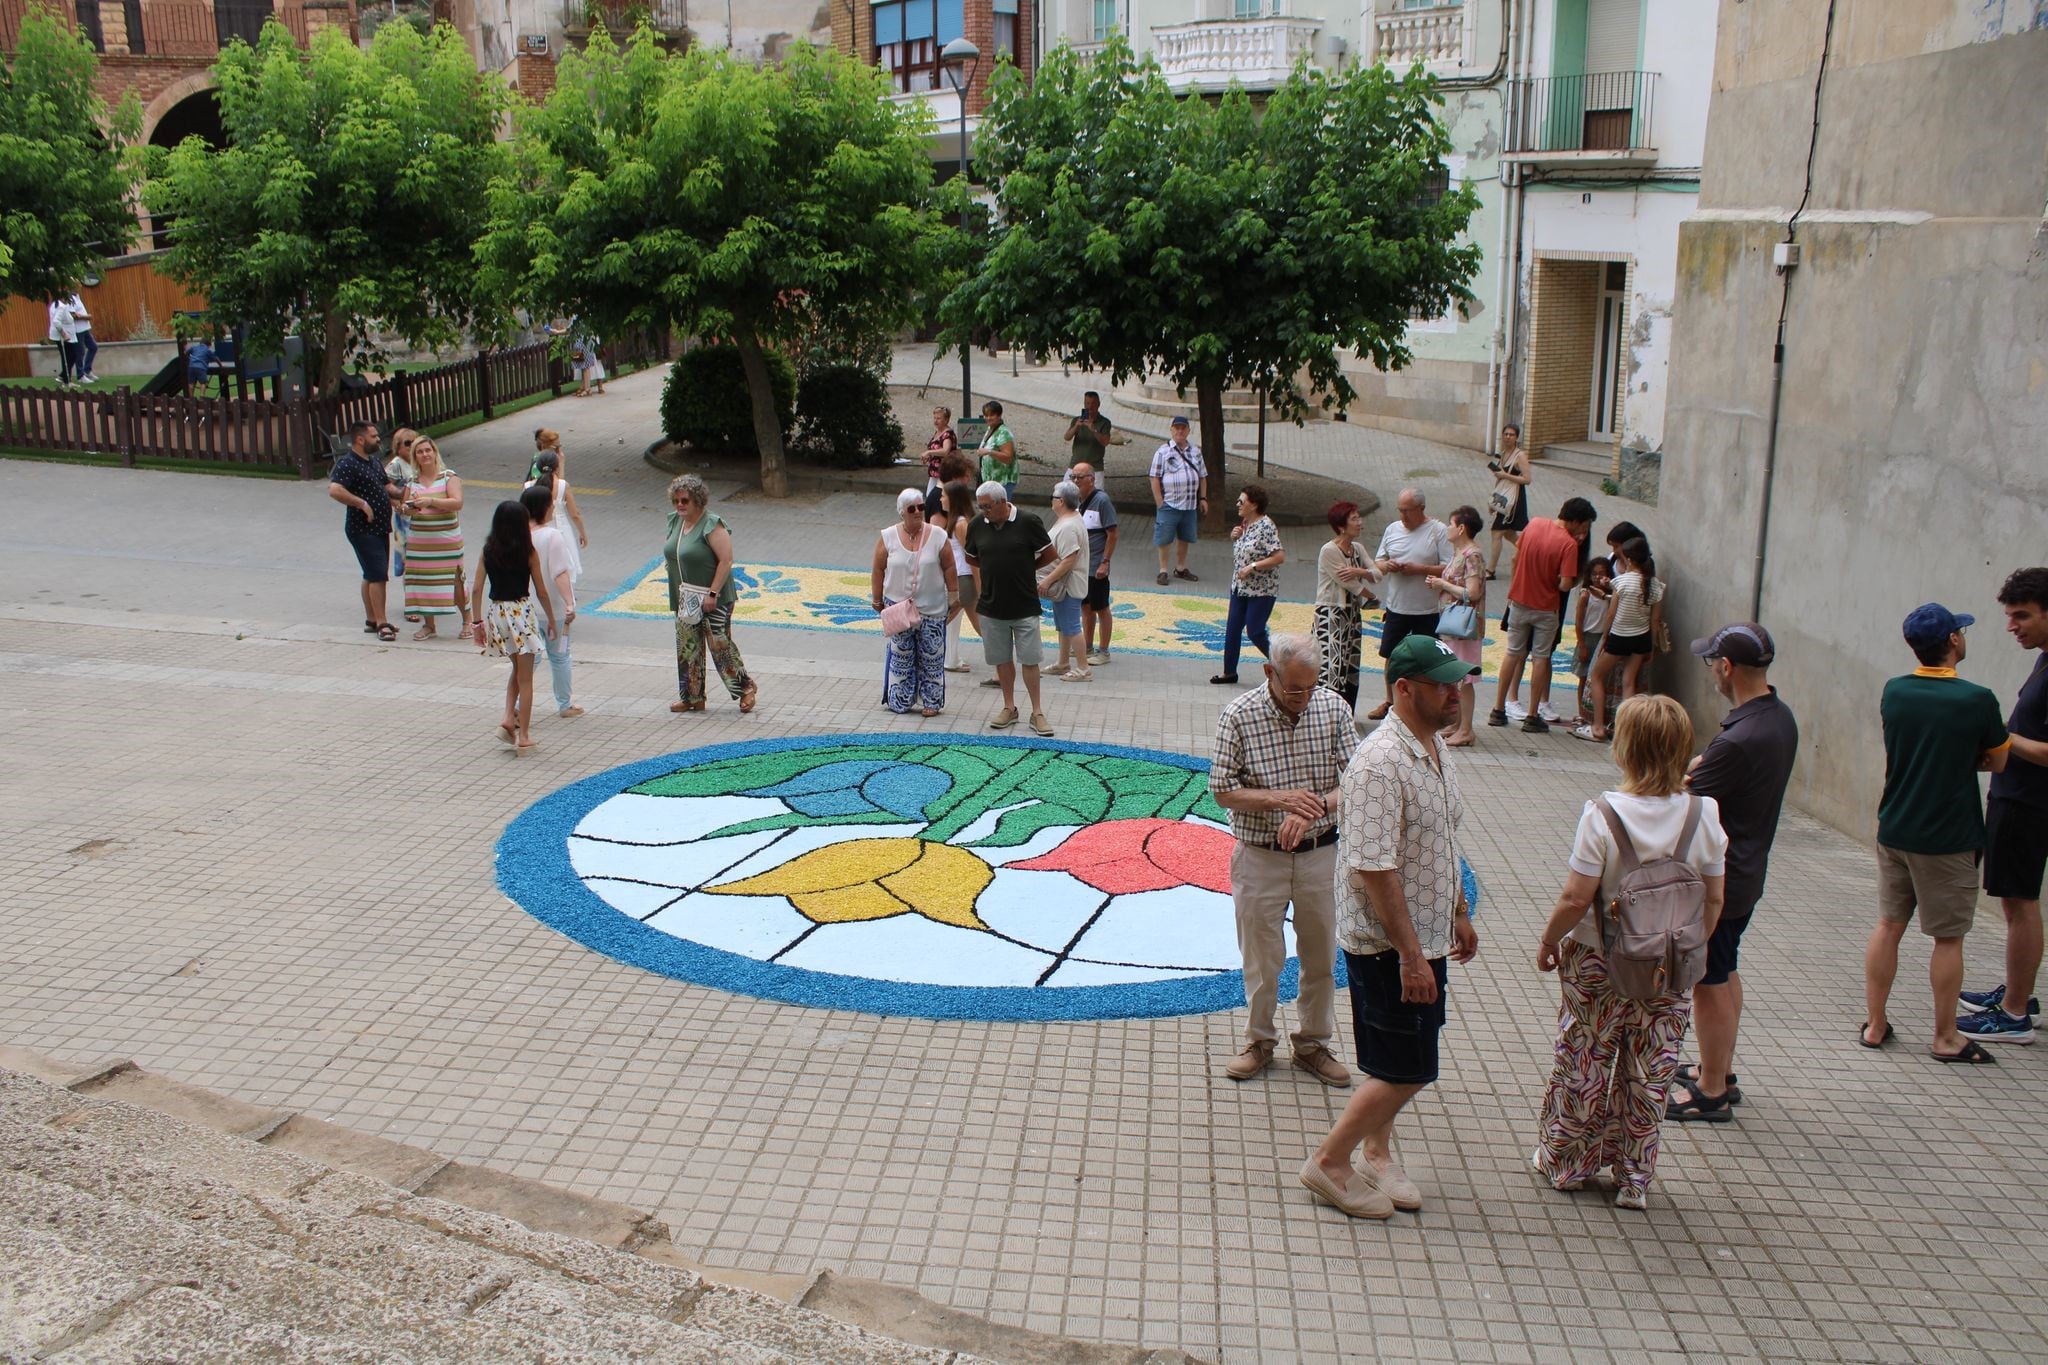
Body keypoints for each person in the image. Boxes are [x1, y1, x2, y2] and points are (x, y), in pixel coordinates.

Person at [1303, 635, 1479, 1219]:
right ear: (1403, 689)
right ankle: (1330, 1162)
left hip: (1425, 936)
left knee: (1402, 1061)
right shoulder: (1380, 763)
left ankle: (1376, 1151)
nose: (1456, 693)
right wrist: (1408, 956)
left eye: (1457, 681)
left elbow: (1444, 839)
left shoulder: (1431, 746)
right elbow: (1373, 868)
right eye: (1442, 684)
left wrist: (1457, 911)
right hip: (1388, 947)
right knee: (1406, 1068)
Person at [1532, 695, 1727, 1209]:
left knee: (1585, 1056)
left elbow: (1577, 897)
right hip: (1671, 964)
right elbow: (1714, 896)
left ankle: (1568, 1162)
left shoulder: (1602, 814)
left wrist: (1550, 940)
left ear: (1625, 749)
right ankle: (1634, 1177)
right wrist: (1688, 948)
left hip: (1600, 957)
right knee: (1651, 1067)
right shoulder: (1703, 813)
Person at [1209, 635, 1359, 1089]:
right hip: (1259, 856)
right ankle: (1259, 1041)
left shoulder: (1332, 709)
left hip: (1320, 853)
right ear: (1269, 674)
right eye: (1295, 689)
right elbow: (1221, 789)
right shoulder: (1239, 715)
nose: (1305, 698)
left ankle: (1313, 1044)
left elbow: (1357, 781)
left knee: (1320, 956)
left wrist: (1313, 807)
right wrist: (1279, 800)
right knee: (1261, 958)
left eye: (1312, 687)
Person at [1661, 624, 1797, 1121]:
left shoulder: (1741, 738)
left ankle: (1712, 1090)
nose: (1712, 671)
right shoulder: (1777, 717)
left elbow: (1684, 797)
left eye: (1711, 663)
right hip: (1747, 868)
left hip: (1724, 876)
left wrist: (1688, 772)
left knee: (1708, 979)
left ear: (1727, 668)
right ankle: (1718, 1068)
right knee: (1726, 966)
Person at [1862, 603, 2009, 1062]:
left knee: (1888, 925)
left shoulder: (1895, 691)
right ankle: (1946, 1036)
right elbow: (1998, 760)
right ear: (1952, 641)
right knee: (1948, 938)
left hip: (1896, 826)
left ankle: (1876, 1024)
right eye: (1960, 631)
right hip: (1948, 837)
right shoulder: (1977, 698)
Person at [1958, 568, 2048, 1043]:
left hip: (2030, 803)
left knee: (2020, 903)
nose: (2012, 626)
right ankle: (2019, 993)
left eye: (2022, 616)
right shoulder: (2044, 658)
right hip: (2016, 796)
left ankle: (2013, 1015)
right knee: (2016, 902)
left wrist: (2002, 737)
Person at [1489, 496, 1597, 734]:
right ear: (1576, 521)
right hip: (1546, 608)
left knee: (1512, 653)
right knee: (1540, 657)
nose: (1584, 531)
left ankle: (1498, 709)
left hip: (1518, 602)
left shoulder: (1534, 524)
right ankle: (1532, 715)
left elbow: (1515, 558)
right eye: (1585, 525)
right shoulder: (1568, 545)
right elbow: (1565, 585)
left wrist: (1518, 584)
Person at [964, 481, 1057, 736]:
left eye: (987, 506)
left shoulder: (1029, 521)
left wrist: (1027, 569)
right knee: (1002, 660)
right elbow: (970, 556)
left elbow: (1050, 554)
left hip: (1024, 603)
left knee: (1030, 659)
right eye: (980, 506)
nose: (983, 511)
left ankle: (1037, 711)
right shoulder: (977, 525)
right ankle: (1009, 706)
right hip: (992, 605)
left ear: (1002, 502)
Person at [468, 501, 557, 756]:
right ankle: (525, 736)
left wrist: (476, 622)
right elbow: (540, 590)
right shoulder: (528, 552)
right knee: (526, 678)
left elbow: (476, 588)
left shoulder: (488, 551)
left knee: (517, 669)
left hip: (497, 613)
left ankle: (508, 718)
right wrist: (551, 619)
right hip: (521, 611)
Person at [665, 474, 758, 715]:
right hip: (686, 596)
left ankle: (745, 688)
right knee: (687, 647)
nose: (680, 505)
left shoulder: (711, 524)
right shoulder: (675, 521)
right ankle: (692, 697)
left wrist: (713, 592)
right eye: (676, 500)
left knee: (719, 645)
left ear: (697, 500)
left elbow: (726, 561)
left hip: (714, 596)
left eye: (685, 500)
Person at [1366, 489, 1451, 722]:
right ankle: (1391, 702)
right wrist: (1388, 565)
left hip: (1428, 609)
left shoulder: (1437, 531)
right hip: (1397, 606)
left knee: (1428, 659)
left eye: (1407, 511)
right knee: (1391, 656)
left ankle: (1429, 705)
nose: (1403, 515)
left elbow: (1449, 567)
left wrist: (1420, 569)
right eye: (1400, 510)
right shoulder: (1392, 529)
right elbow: (1378, 562)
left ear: (1421, 509)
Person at [871, 488, 957, 717]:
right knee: (901, 655)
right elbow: (878, 568)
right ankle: (900, 699)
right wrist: (877, 599)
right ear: (902, 512)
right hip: (899, 608)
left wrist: (954, 594)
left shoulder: (938, 535)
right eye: (912, 508)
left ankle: (931, 701)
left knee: (932, 656)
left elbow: (949, 565)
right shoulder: (888, 536)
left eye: (921, 507)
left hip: (932, 607)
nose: (918, 512)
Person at [1573, 536, 1662, 743]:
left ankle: (1597, 726)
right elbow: (1655, 620)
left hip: (1619, 637)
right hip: (1641, 639)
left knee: (1596, 676)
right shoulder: (1656, 585)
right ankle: (1626, 730)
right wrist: (1652, 645)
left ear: (1629, 559)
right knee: (1628, 682)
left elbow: (1611, 615)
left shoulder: (1621, 582)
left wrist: (1605, 638)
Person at [325, 420, 400, 641]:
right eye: (374, 436)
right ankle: (382, 623)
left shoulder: (374, 462)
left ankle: (372, 619)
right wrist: (361, 504)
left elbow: (386, 487)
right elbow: (335, 489)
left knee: (371, 573)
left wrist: (405, 495)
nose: (378, 440)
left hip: (380, 527)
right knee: (378, 575)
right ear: (360, 439)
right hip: (362, 529)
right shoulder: (348, 464)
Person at [1425, 506, 1487, 747]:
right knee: (1455, 675)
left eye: (1451, 525)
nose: (1448, 529)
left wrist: (1444, 584)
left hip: (1464, 627)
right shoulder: (1459, 551)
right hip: (1453, 625)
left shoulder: (1472, 555)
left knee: (1465, 677)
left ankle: (1466, 729)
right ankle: (1457, 724)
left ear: (1461, 528)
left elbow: (1473, 592)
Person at [520, 482, 582, 719]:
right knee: (560, 656)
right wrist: (569, 603)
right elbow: (560, 573)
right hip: (553, 608)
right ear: (545, 508)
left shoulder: (521, 536)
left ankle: (516, 705)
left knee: (529, 659)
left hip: (526, 608)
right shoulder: (553, 536)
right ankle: (565, 704)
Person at [1213, 485, 1283, 686]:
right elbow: (1245, 549)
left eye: (1241, 501)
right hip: (1240, 587)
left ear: (1254, 505)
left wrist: (1252, 566)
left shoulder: (1266, 526)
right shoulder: (1245, 523)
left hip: (1262, 589)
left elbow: (1279, 556)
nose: (1237, 504)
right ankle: (1229, 672)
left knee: (1255, 630)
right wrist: (1234, 536)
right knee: (1233, 629)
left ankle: (1283, 664)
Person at [398, 436, 466, 640]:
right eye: (420, 452)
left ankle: (468, 620)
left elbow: (457, 503)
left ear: (435, 452)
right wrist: (407, 508)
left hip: (447, 540)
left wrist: (430, 501)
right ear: (415, 457)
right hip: (421, 542)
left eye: (428, 450)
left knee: (455, 580)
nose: (425, 454)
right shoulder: (412, 482)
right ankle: (429, 625)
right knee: (423, 582)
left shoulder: (448, 476)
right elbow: (405, 507)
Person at [1313, 501, 1378, 711]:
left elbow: (1377, 574)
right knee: (1331, 664)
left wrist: (1360, 572)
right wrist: (1371, 594)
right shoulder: (1329, 551)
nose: (1360, 523)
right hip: (1331, 614)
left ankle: (1346, 712)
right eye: (1354, 519)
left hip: (1351, 615)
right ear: (1341, 526)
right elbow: (1351, 585)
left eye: (1359, 518)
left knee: (1350, 664)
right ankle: (1326, 712)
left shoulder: (1357, 548)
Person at [1070, 463, 1119, 667]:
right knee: (1086, 607)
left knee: (1101, 607)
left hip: (1097, 566)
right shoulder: (1075, 501)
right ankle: (1087, 646)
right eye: (1073, 477)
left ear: (1092, 478)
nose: (1076, 481)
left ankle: (1104, 650)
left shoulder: (1102, 501)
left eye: (1080, 477)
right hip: (1081, 567)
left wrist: (1105, 562)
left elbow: (1112, 534)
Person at [1149, 416, 1208, 585]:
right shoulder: (1163, 451)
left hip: (1189, 504)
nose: (1180, 431)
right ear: (1171, 430)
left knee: (1185, 537)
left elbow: (1203, 476)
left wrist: (1203, 498)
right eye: (1177, 428)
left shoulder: (1195, 451)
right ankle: (1163, 571)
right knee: (1164, 538)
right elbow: (1154, 477)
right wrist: (1159, 501)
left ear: (1188, 430)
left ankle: (1181, 568)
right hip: (1169, 503)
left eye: (1183, 428)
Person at [1043, 482, 1092, 682]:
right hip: (1064, 584)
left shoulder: (1068, 526)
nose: (1051, 501)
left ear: (1061, 501)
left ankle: (1083, 668)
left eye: (1053, 497)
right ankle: (1063, 662)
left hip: (1068, 584)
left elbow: (1069, 559)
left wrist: (1047, 580)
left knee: (1071, 626)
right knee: (1063, 625)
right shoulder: (1071, 519)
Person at [524, 450, 586, 586]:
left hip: (535, 530)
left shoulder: (528, 486)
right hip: (561, 528)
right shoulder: (563, 486)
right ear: (556, 467)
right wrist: (582, 533)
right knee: (563, 564)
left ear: (538, 466)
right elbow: (574, 514)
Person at [1569, 558, 1616, 730]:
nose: (1597, 577)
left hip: (1603, 638)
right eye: (1594, 574)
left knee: (1599, 678)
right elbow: (1579, 622)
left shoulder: (1611, 595)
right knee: (1583, 677)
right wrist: (1581, 644)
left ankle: (1596, 714)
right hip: (1588, 638)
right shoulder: (1585, 595)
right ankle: (1582, 713)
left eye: (1602, 574)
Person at [941, 479, 980, 674]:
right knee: (975, 622)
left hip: (964, 578)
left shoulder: (961, 524)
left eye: (944, 496)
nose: (940, 499)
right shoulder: (955, 521)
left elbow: (972, 556)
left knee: (946, 617)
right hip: (960, 577)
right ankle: (1001, 662)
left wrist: (980, 584)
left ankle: (1002, 661)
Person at [1484, 422, 1530, 579]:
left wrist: (1506, 476)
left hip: (1515, 500)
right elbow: (1500, 478)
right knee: (1509, 534)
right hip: (1504, 498)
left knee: (1497, 532)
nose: (1508, 437)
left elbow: (1527, 479)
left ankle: (1490, 571)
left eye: (1511, 434)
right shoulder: (1503, 454)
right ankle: (1530, 552)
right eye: (1506, 434)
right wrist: (1493, 500)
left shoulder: (1520, 456)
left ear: (1517, 437)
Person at [384, 428, 421, 594]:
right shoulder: (396, 464)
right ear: (398, 446)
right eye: (408, 443)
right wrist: (396, 502)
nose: (412, 446)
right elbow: (385, 486)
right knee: (410, 561)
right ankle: (411, 601)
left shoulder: (420, 461)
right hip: (405, 521)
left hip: (421, 517)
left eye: (415, 442)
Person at [977, 400, 1018, 499]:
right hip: (991, 481)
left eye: (991, 415)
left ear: (999, 416)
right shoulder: (990, 428)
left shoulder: (1003, 433)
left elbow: (1008, 458)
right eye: (986, 415)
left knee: (1000, 510)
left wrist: (989, 452)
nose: (988, 418)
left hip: (1002, 481)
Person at [1064, 391, 1113, 470]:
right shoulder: (1077, 420)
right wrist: (1076, 426)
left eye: (1093, 403)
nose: (1090, 407)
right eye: (1087, 403)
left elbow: (1105, 442)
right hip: (1075, 465)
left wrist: (1093, 429)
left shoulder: (1105, 422)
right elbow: (1067, 437)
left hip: (1095, 467)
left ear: (1098, 404)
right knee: (1066, 482)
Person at [924, 406, 958, 496]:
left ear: (946, 420)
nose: (935, 421)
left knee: (938, 497)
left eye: (939, 418)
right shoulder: (938, 432)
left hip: (944, 472)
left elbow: (945, 451)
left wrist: (929, 452)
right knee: (930, 496)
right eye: (934, 418)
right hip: (935, 472)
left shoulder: (947, 434)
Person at [47, 298, 77, 386]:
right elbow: (56, 321)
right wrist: (64, 334)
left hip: (63, 335)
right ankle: (67, 380)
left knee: (70, 356)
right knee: (68, 357)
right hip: (63, 336)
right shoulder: (61, 306)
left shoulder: (55, 304)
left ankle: (63, 376)